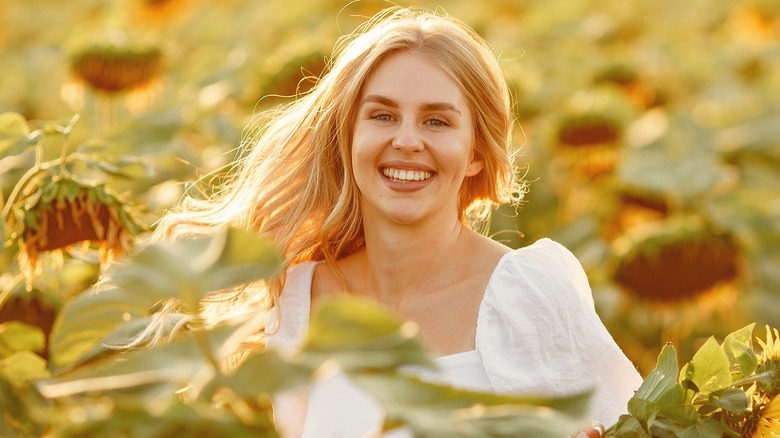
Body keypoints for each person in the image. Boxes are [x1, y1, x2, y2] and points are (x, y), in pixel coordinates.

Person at [153, 6, 642, 438]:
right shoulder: (298, 300)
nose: (407, 140)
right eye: (383, 116)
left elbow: (631, 425)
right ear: (347, 138)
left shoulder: (526, 295)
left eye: (437, 121)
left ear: (475, 153)